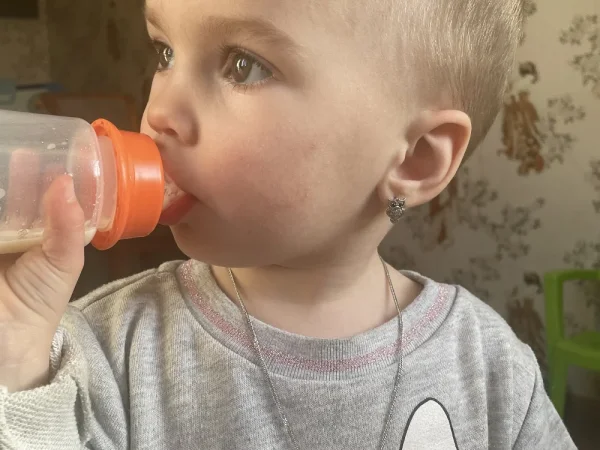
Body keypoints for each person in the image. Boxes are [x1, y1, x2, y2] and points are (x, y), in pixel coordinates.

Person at [0, 0, 576, 448]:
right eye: (165, 53)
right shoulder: (95, 353)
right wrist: (16, 367)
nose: (158, 113)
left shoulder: (490, 370)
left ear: (416, 160)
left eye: (242, 65)